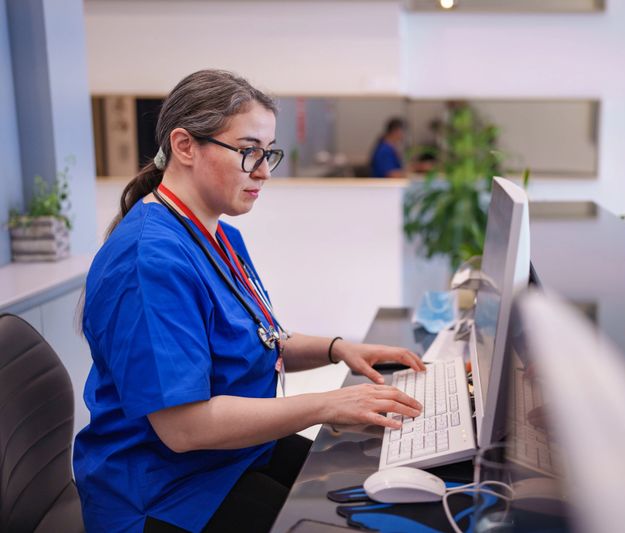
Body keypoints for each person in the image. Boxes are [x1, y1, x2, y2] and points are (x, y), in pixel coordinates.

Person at [74, 70, 425, 533]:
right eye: (248, 152)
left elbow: (260, 338)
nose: (263, 171)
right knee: (347, 520)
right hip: (167, 490)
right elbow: (185, 428)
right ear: (184, 146)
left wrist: (339, 348)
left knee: (370, 479)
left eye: (268, 153)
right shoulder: (149, 261)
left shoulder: (219, 234)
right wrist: (326, 404)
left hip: (233, 455)